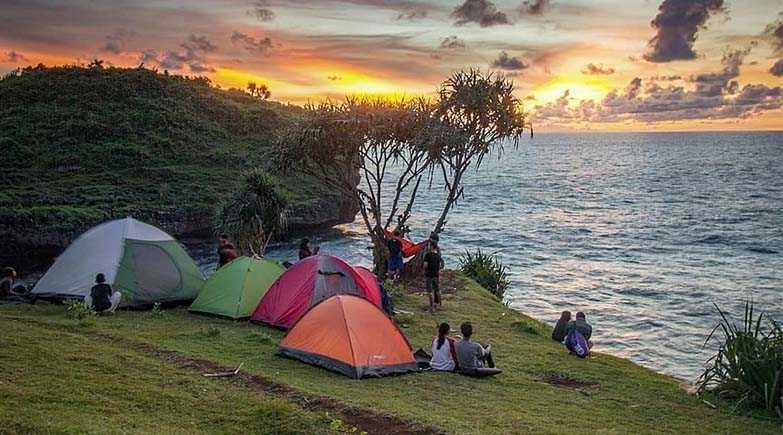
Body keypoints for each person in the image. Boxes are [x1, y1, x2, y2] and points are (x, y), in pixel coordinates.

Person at [423, 239, 443, 312]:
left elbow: (425, 265)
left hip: (429, 274)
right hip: (436, 274)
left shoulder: (428, 255)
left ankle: (431, 307)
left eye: (429, 245)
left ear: (431, 246)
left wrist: (424, 270)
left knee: (429, 291)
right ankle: (439, 305)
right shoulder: (438, 255)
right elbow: (440, 265)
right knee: (437, 290)